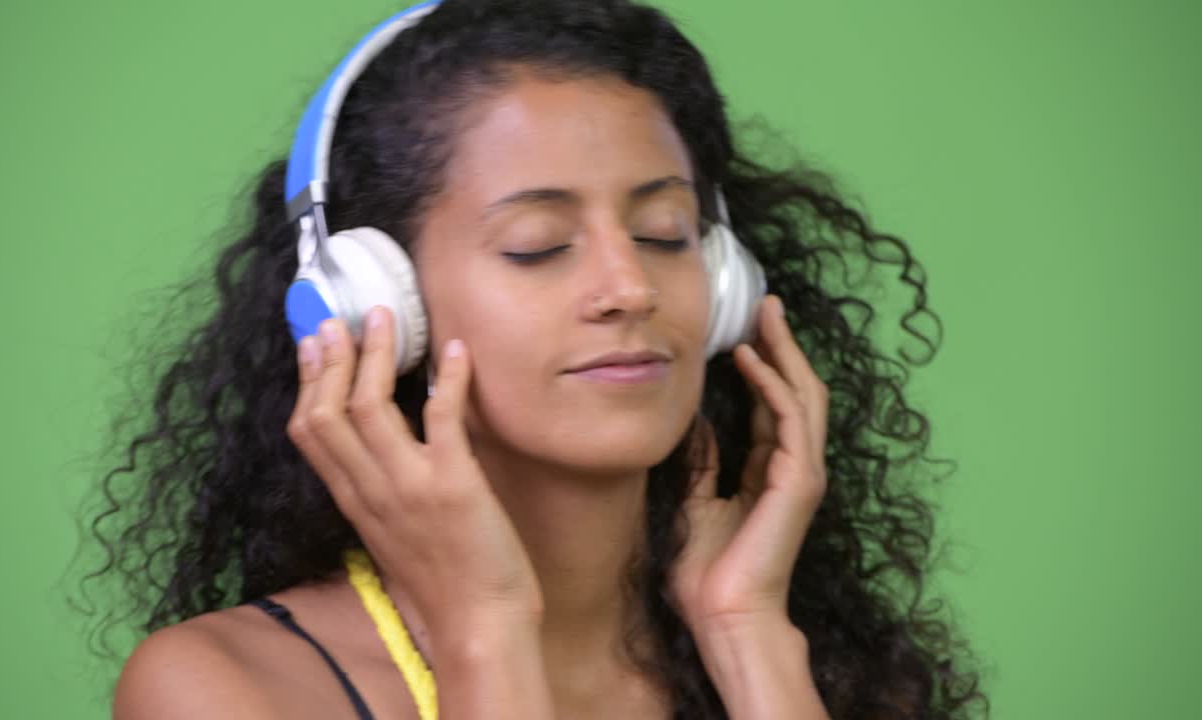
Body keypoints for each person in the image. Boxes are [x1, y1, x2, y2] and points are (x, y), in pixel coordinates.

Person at [85, 0, 987, 717]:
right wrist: (486, 632)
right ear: (372, 298)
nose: (629, 285)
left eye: (666, 232)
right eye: (538, 244)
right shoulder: (230, 690)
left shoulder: (831, 680)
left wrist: (746, 632)